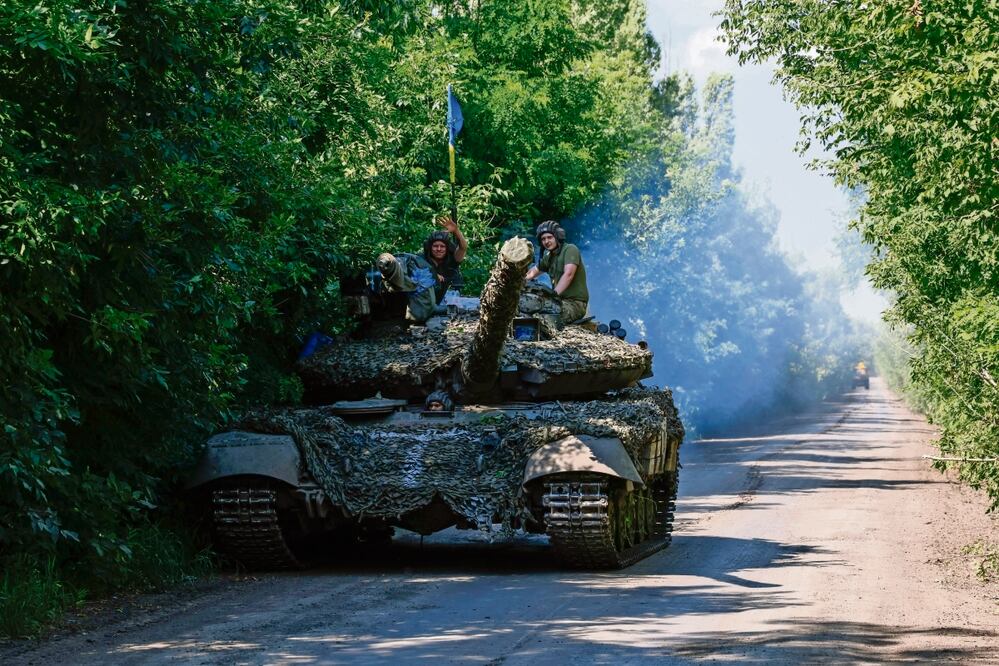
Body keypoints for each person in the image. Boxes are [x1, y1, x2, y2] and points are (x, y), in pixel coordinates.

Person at [524, 220, 589, 325]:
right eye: (543, 239)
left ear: (557, 237)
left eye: (549, 237)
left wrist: (553, 296)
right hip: (557, 302)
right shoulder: (549, 257)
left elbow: (568, 274)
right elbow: (532, 273)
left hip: (575, 304)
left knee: (545, 318)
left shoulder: (570, 249)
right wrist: (517, 282)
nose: (546, 241)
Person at [375, 251, 438, 324]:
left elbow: (411, 285)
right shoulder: (394, 265)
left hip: (421, 281)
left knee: (417, 316)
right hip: (416, 280)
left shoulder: (407, 264)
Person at [423, 216, 468, 304]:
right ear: (430, 247)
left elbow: (463, 247)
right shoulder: (422, 259)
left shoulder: (452, 260)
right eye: (435, 246)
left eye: (442, 246)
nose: (439, 249)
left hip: (439, 301)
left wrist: (456, 231)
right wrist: (433, 275)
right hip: (421, 300)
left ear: (447, 248)